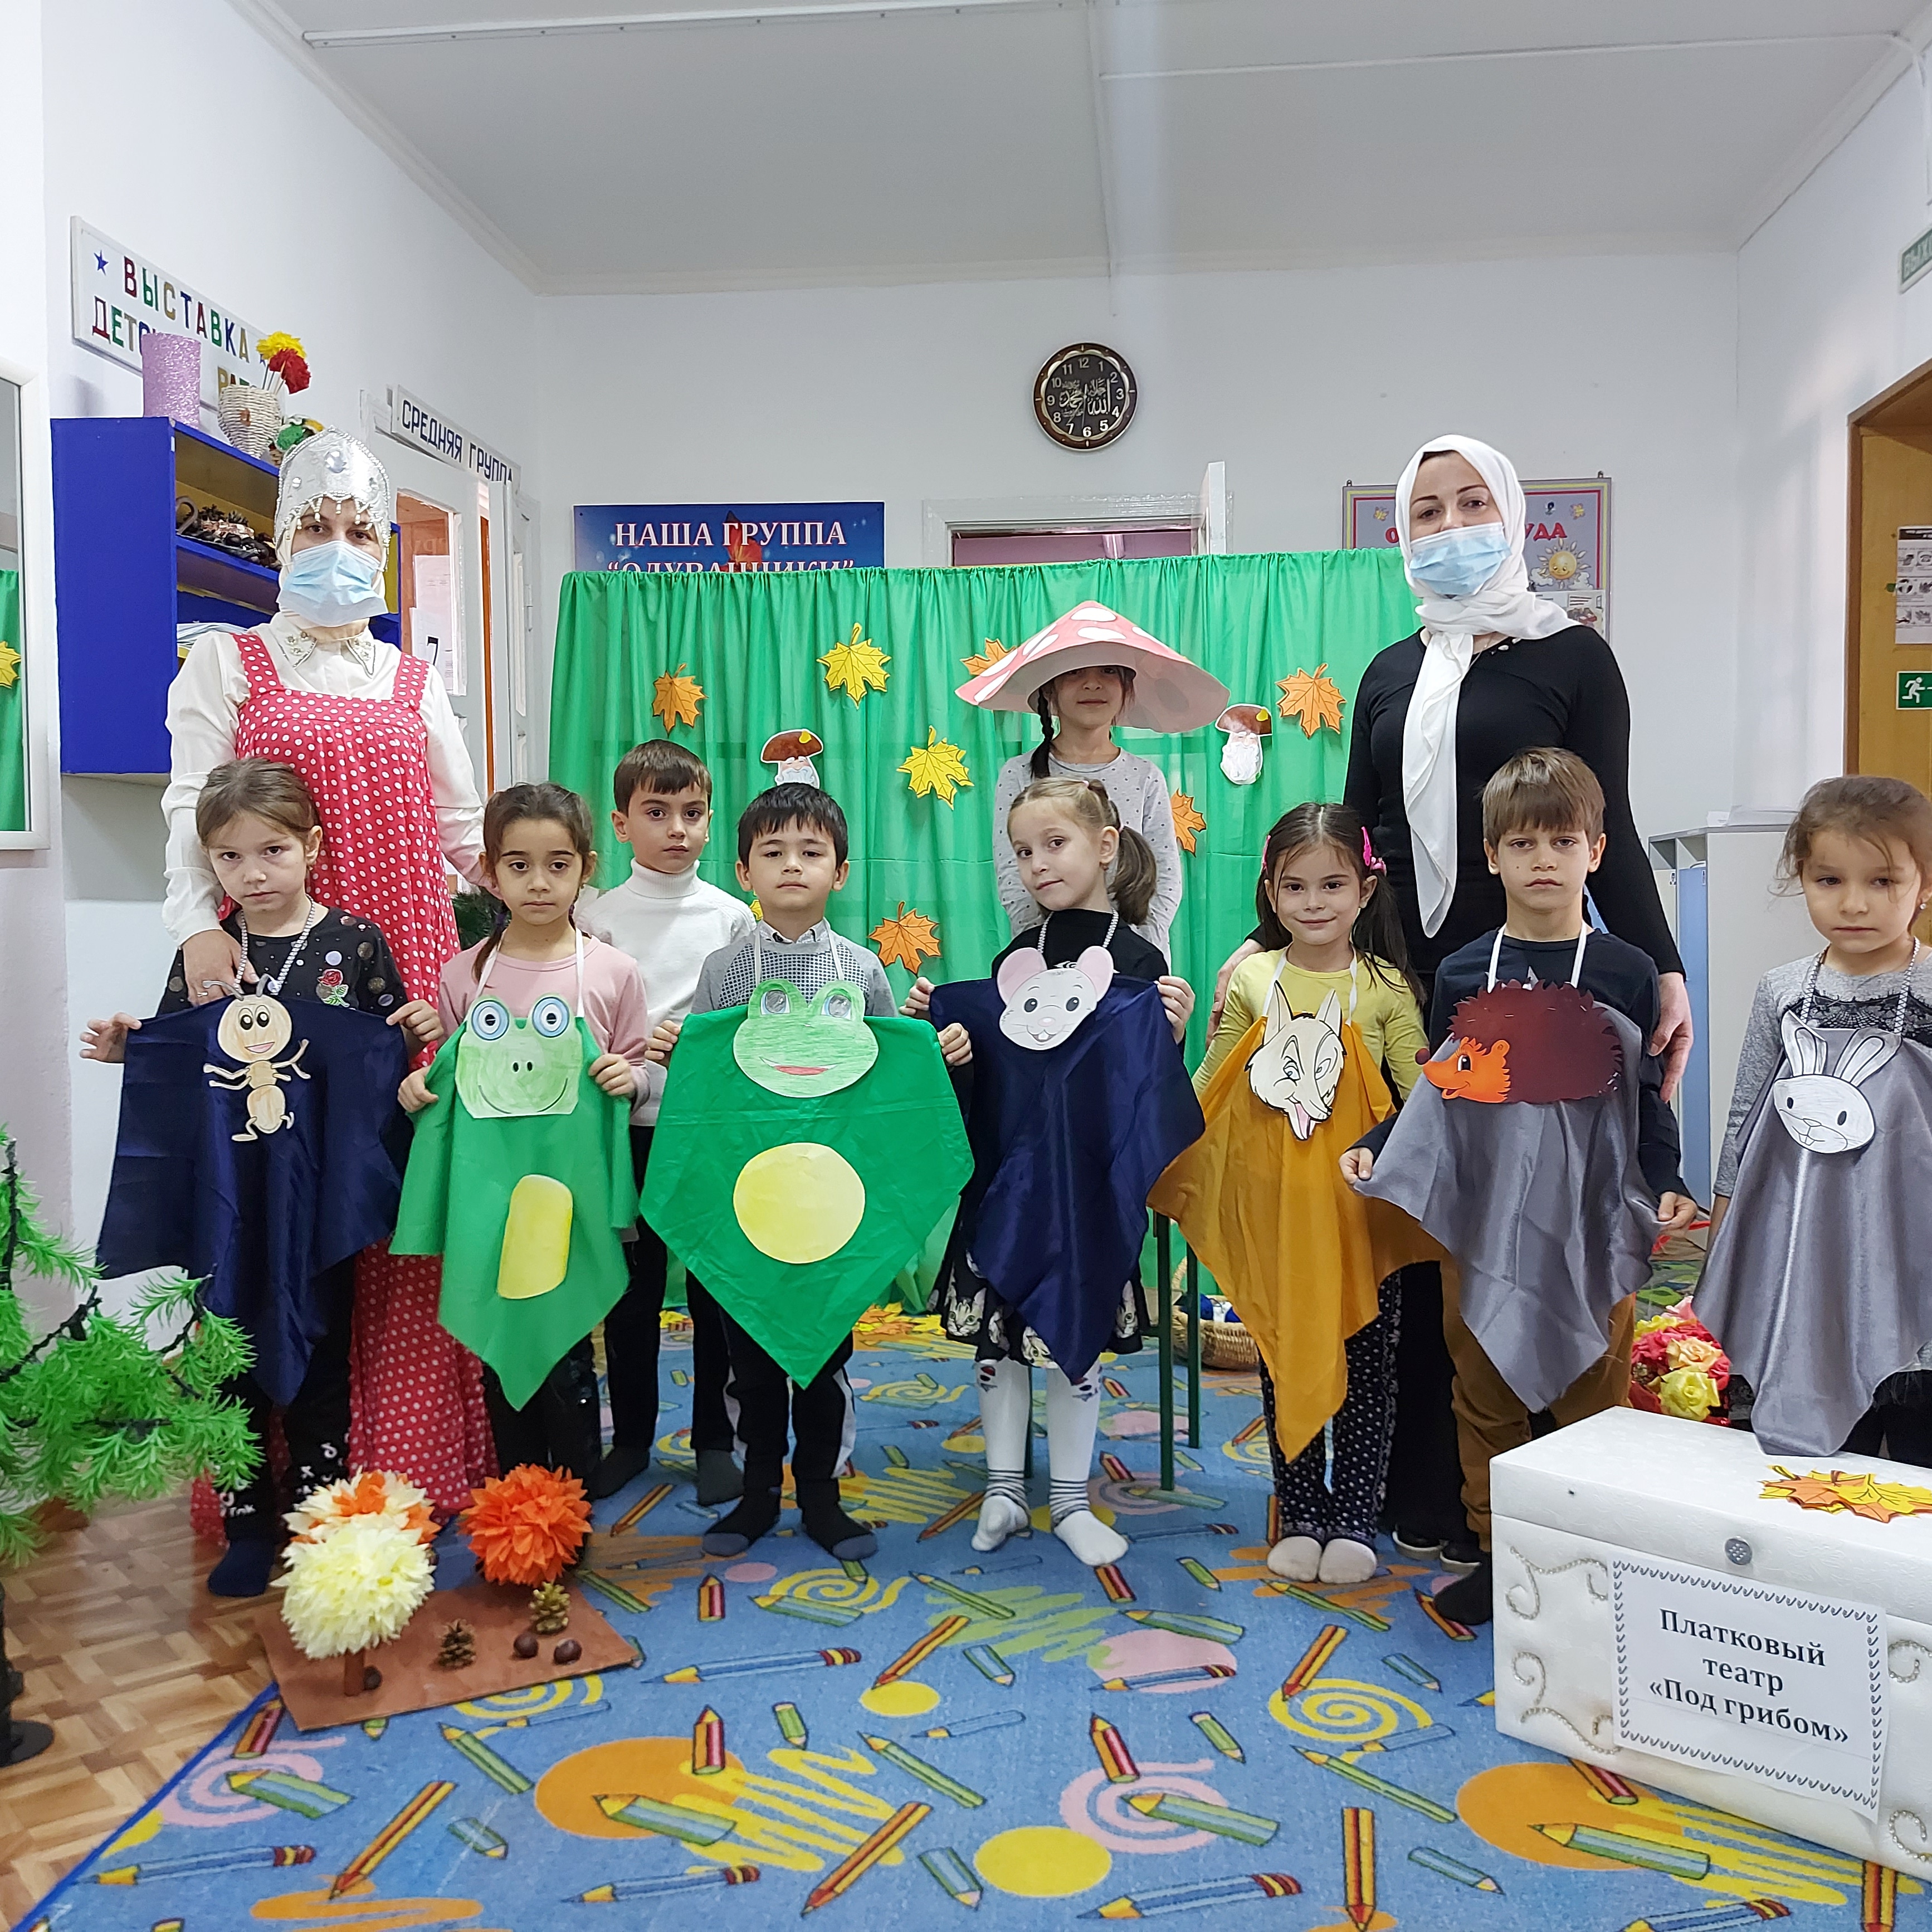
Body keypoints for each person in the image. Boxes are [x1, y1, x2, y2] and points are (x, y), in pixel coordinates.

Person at [1211, 435, 1692, 1565]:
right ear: (1402, 532)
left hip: (1524, 978)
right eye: (1426, 511)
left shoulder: (1572, 656)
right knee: (1413, 1225)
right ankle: (1421, 1485)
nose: (1450, 525)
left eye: (1472, 502)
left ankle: (1549, 1491)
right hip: (1406, 976)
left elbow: (1609, 822)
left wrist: (1663, 963)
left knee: (1510, 1226)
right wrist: (1274, 943)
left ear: (1512, 514)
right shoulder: (1391, 669)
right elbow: (1355, 834)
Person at [160, 430, 494, 1521]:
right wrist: (194, 930)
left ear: (383, 548)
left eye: (359, 530)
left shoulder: (416, 679)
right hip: (273, 978)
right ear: (278, 537)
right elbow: (189, 807)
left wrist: (555, 909)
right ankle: (268, 1475)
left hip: (401, 978)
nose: (337, 548)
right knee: (278, 1208)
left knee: (398, 1210)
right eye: (315, 527)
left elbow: (464, 832)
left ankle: (403, 1460)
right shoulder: (226, 664)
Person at [1348, 749, 1695, 1626]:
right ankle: (1497, 1552)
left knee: (1594, 1389)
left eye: (1564, 841)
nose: (1544, 859)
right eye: (1523, 843)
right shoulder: (1466, 971)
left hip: (1590, 1217)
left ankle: (1589, 1563)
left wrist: (1665, 1176)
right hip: (1485, 1220)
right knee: (1483, 1386)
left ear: (1597, 851)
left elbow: (1647, 1093)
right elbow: (1439, 1089)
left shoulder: (1625, 971)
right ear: (1492, 855)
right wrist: (1381, 1143)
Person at [81, 759, 443, 1596]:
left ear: (311, 846)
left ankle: (320, 1520)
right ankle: (247, 1525)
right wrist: (132, 1048)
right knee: (228, 1360)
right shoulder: (208, 954)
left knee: (320, 1355)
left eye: (272, 850)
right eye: (230, 857)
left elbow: (383, 1054)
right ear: (210, 862)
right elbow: (181, 1058)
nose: (253, 873)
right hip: (232, 1200)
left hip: (319, 1198)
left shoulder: (354, 943)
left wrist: (412, 1029)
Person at [1154, 802, 1437, 1585]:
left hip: (1360, 1221)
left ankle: (1355, 1519)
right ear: (1271, 893)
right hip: (1278, 1214)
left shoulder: (1384, 988)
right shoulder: (1254, 978)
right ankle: (1303, 1510)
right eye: (1295, 887)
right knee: (1283, 1355)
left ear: (1365, 890)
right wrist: (1157, 1139)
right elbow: (1214, 1082)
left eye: (1332, 885)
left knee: (1368, 1367)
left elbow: (1420, 1102)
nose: (1314, 903)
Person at [930, 778, 1196, 1568]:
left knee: (1071, 1341)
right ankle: (1005, 1489)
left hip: (1085, 1193)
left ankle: (1074, 1501)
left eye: (1055, 844)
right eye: (1023, 852)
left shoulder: (1141, 960)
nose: (1037, 865)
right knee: (997, 1345)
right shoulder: (1015, 957)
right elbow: (999, 1079)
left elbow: (1144, 1091)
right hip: (1008, 1188)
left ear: (1106, 845)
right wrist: (954, 1049)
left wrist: (1172, 1037)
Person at [399, 783, 650, 1485]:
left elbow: (638, 1071)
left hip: (569, 1198)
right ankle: (513, 1502)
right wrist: (416, 1089)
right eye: (518, 865)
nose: (539, 883)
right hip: (490, 1197)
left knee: (567, 1349)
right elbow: (456, 1081)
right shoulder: (462, 975)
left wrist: (630, 1079)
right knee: (497, 1337)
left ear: (586, 868)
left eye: (557, 865)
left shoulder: (614, 972)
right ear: (490, 870)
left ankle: (569, 1503)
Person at [680, 783, 896, 1563]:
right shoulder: (724, 971)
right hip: (750, 1198)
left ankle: (823, 1497)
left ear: (841, 871)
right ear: (745, 872)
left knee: (824, 1357)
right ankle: (757, 1494)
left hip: (831, 1198)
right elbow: (704, 1089)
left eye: (811, 852)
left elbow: (886, 1085)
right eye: (773, 853)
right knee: (752, 1358)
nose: (793, 866)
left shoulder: (862, 971)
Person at [1696, 777, 1932, 1463]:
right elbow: (1745, 1120)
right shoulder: (1783, 990)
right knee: (1816, 1454)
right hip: (1808, 1245)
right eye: (1829, 879)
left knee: (1916, 1450)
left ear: (1924, 885)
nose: (1853, 903)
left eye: (1883, 881)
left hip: (1910, 1245)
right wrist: (1725, 1241)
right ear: (1801, 877)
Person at [578, 740, 754, 1504]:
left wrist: (704, 1044)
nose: (677, 828)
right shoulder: (597, 917)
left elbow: (747, 1021)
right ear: (622, 825)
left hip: (707, 1132)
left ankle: (714, 1440)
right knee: (631, 1294)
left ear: (710, 821)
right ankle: (632, 1439)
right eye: (656, 812)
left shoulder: (731, 917)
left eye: (693, 812)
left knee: (714, 1293)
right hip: (625, 1132)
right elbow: (583, 1016)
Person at [967, 602, 1227, 960]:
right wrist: (1045, 948)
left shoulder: (1145, 776)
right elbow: (1014, 874)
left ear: (1127, 687)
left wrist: (1134, 953)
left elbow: (1164, 877)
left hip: (1132, 961)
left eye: (1108, 671)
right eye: (1074, 672)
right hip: (1046, 960)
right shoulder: (1019, 773)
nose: (1092, 683)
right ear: (1049, 690)